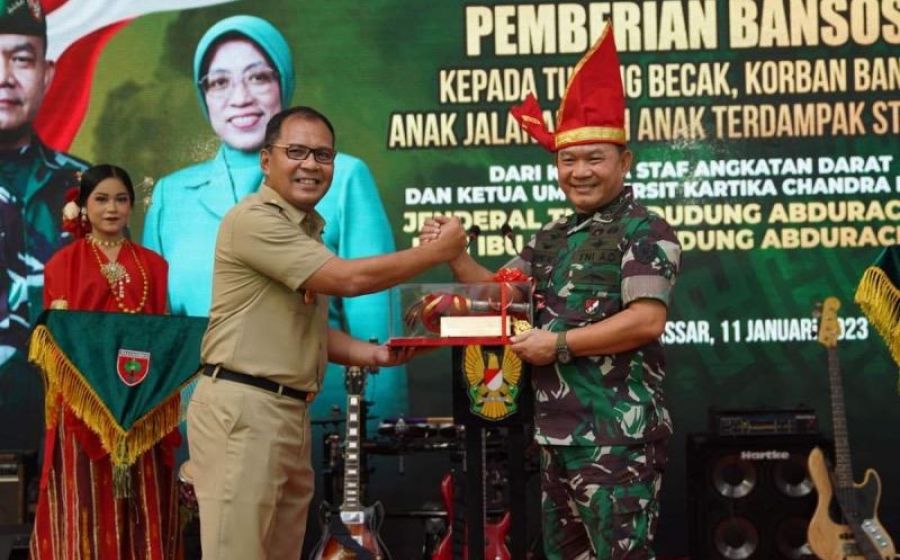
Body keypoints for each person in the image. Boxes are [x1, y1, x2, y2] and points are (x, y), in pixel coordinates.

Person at [422, 24, 681, 559]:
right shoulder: (552, 236)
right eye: (568, 160)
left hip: (617, 437)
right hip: (554, 437)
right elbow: (501, 294)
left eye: (594, 158)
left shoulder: (644, 229)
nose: (579, 172)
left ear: (624, 162)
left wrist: (557, 344)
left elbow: (646, 320)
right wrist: (454, 253)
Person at [187, 105, 466, 559]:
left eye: (323, 155)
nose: (311, 165)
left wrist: (374, 355)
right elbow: (348, 280)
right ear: (266, 160)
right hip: (245, 412)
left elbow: (308, 328)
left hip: (287, 413)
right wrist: (435, 252)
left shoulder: (305, 231)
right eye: (296, 151)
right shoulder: (253, 220)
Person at [141, 15, 405, 423]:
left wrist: (380, 434)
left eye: (258, 77)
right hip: (199, 423)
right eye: (220, 82)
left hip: (321, 422)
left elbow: (375, 330)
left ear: (284, 81)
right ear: (203, 94)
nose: (240, 97)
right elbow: (157, 336)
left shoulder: (343, 177)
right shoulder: (170, 196)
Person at [31, 164, 179, 559]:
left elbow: (162, 336)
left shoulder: (155, 265)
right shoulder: (62, 264)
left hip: (141, 403)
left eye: (121, 199)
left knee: (145, 500)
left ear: (131, 206)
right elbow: (56, 344)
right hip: (85, 405)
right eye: (101, 199)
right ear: (83, 206)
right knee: (87, 501)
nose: (112, 208)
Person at [0, 0, 89, 455]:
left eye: (21, 59)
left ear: (47, 74)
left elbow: (113, 313)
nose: (4, 77)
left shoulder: (87, 188)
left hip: (60, 434)